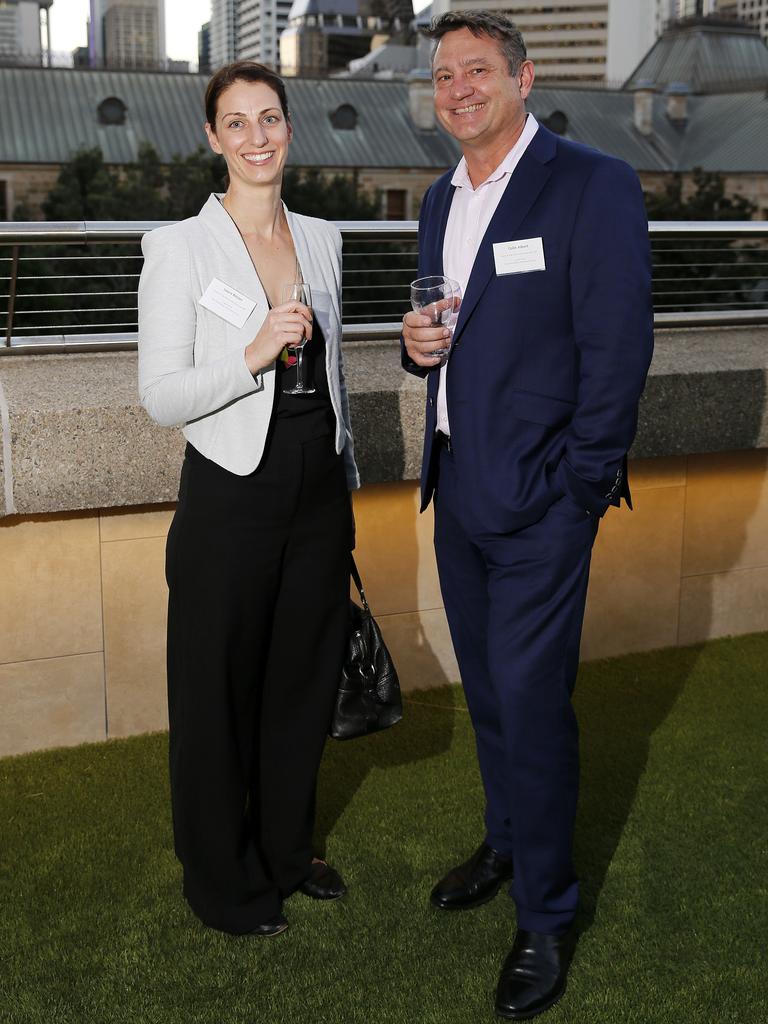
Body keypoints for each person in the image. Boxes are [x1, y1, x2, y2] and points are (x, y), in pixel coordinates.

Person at [401, 12, 654, 1020]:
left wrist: (581, 488)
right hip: (459, 484)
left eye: (476, 71)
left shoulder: (591, 183)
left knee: (533, 702)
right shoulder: (438, 197)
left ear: (523, 76)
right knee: (492, 693)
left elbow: (618, 343)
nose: (458, 88)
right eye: (444, 75)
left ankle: (547, 916)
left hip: (545, 500)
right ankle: (506, 842)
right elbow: (452, 334)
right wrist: (416, 347)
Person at [137, 61, 359, 939]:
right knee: (215, 691)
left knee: (300, 684)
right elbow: (160, 396)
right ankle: (220, 880)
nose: (257, 137)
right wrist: (255, 351)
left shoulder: (323, 238)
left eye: (270, 118)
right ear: (213, 138)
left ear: (288, 129)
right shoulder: (180, 247)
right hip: (230, 492)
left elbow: (335, 373)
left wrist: (342, 471)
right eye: (238, 122)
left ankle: (284, 850)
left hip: (314, 487)